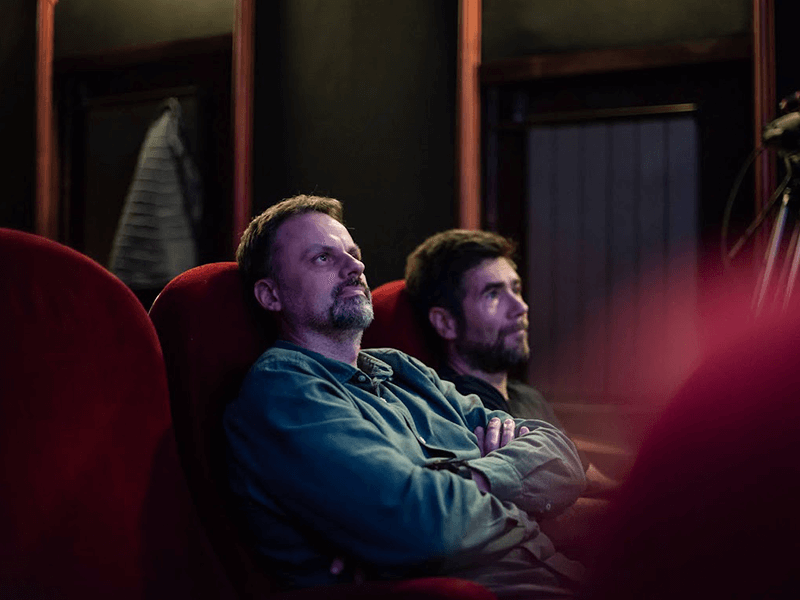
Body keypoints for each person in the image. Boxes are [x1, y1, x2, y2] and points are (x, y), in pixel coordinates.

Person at [224, 195, 587, 599]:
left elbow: (562, 456)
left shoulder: (401, 368)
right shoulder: (284, 391)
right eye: (323, 259)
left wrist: (467, 482)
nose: (356, 268)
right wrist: (512, 490)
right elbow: (424, 527)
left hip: (562, 572)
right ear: (271, 295)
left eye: (354, 254)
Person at [404, 229, 617, 498]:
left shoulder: (526, 395)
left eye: (516, 289)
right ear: (446, 323)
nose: (520, 306)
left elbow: (586, 475)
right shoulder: (455, 408)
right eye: (492, 294)